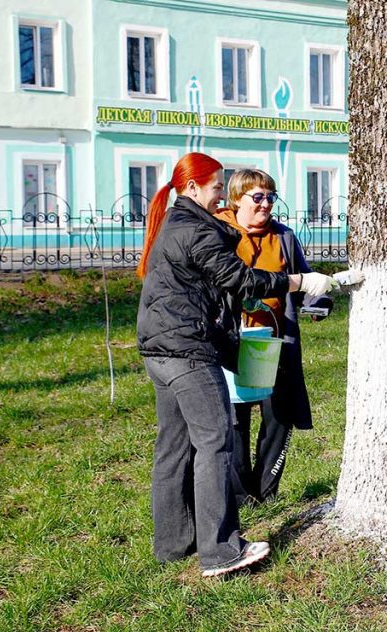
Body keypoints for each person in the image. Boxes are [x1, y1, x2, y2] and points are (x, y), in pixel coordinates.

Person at [136, 153, 336, 577]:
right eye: (215, 187)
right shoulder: (198, 230)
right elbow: (243, 280)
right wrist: (299, 281)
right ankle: (220, 552)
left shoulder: (174, 225)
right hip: (187, 351)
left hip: (159, 349)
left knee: (174, 448)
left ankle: (173, 544)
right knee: (215, 444)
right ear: (193, 189)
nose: (219, 195)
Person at [214, 169, 362, 506]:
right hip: (232, 339)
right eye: (258, 197)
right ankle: (239, 495)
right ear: (237, 199)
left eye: (271, 197)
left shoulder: (282, 236)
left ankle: (266, 490)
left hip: (273, 339)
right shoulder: (220, 233)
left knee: (278, 413)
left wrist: (321, 297)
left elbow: (302, 276)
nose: (266, 204)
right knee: (234, 416)